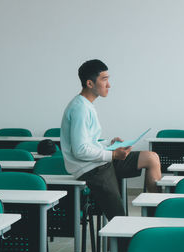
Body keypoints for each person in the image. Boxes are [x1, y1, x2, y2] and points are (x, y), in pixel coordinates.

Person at [60, 59, 161, 221]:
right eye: (104, 79)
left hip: (98, 163)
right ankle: (122, 244)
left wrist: (108, 145)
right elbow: (80, 151)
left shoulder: (86, 105)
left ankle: (157, 214)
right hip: (91, 169)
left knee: (151, 158)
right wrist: (113, 155)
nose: (109, 85)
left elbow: (88, 143)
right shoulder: (80, 108)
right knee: (119, 219)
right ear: (89, 83)